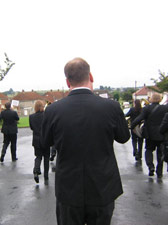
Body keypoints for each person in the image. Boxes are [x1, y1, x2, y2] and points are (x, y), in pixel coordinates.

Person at [41, 58, 130, 225]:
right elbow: (124, 137)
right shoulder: (111, 107)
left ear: (67, 82)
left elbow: (44, 143)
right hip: (102, 186)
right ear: (91, 76)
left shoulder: (53, 110)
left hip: (68, 188)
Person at [131, 93, 168, 178]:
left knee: (148, 150)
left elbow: (139, 118)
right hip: (161, 133)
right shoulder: (164, 108)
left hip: (150, 134)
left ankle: (150, 166)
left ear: (151, 99)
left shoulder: (147, 108)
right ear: (160, 99)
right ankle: (159, 171)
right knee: (160, 153)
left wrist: (132, 126)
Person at [29, 100, 50, 184]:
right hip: (45, 139)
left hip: (36, 139)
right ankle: (46, 175)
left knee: (38, 157)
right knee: (46, 158)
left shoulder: (31, 116)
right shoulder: (46, 116)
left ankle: (36, 171)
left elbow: (32, 127)